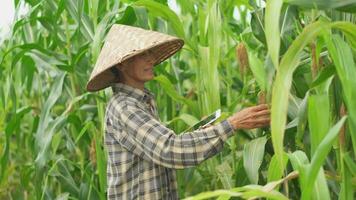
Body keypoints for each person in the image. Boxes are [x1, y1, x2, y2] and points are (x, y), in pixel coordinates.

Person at [86, 24, 270, 200]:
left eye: (150, 53)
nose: (151, 59)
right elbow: (169, 149)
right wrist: (232, 124)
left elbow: (160, 147)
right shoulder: (125, 107)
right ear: (121, 65)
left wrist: (206, 131)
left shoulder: (141, 102)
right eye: (142, 55)